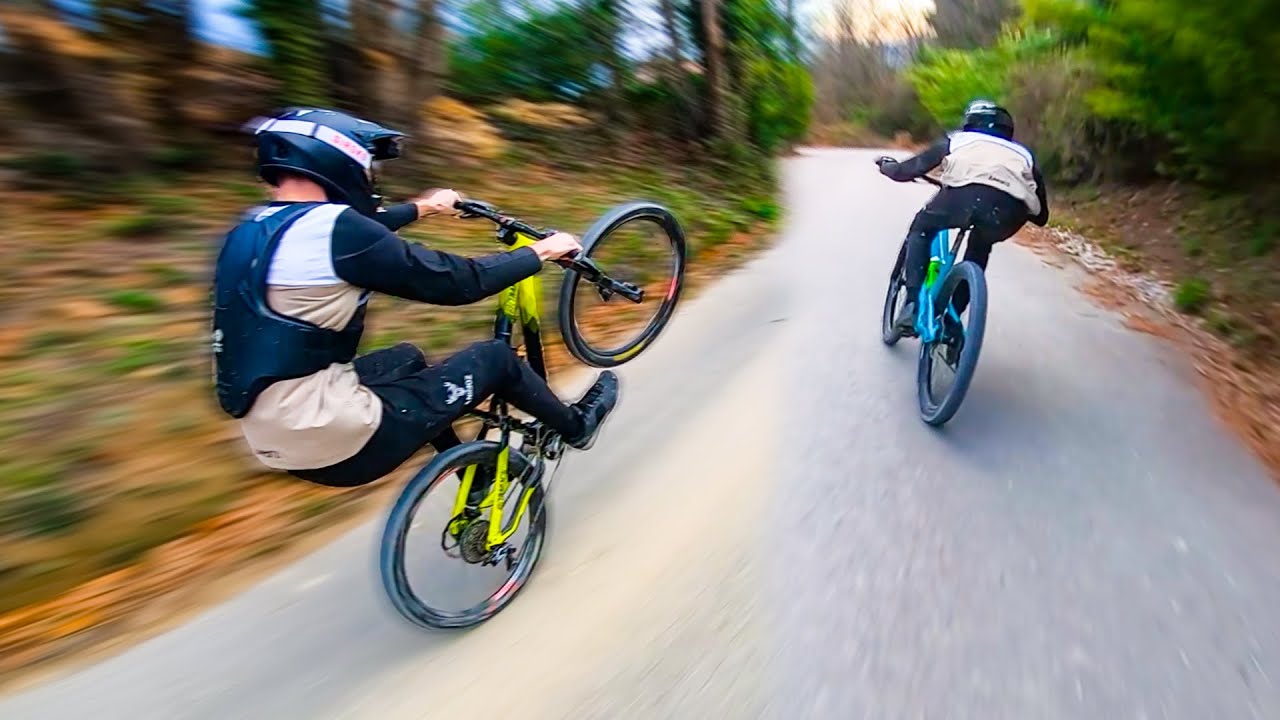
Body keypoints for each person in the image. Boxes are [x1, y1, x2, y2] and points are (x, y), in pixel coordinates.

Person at [211, 107, 619, 489]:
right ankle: (576, 426)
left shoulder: (252, 229)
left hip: (278, 439)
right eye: (368, 166)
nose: (370, 176)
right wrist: (542, 251)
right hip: (344, 442)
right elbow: (458, 283)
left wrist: (425, 207)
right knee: (495, 359)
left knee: (404, 359)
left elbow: (362, 234)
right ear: (338, 160)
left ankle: (474, 479)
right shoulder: (339, 231)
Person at [876, 100, 1050, 332]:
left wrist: (888, 166)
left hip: (961, 198)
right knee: (980, 247)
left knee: (922, 230)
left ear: (970, 122)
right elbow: (1041, 216)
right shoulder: (1024, 155)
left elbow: (907, 171)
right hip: (1007, 211)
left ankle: (912, 305)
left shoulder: (958, 140)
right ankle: (952, 320)